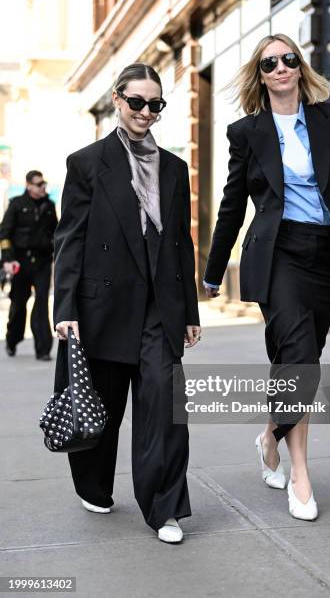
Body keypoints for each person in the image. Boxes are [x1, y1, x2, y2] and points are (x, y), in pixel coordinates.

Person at [203, 34, 330, 521]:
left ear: (299, 67)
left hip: (327, 254)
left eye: (288, 60)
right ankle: (301, 473)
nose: (280, 68)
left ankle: (269, 436)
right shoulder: (247, 132)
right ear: (260, 76)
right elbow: (232, 203)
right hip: (279, 253)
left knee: (298, 361)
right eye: (269, 63)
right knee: (300, 358)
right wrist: (214, 271)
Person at [53, 63, 201, 543]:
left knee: (164, 407)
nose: (145, 112)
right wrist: (65, 309)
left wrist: (191, 312)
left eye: (155, 104)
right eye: (136, 101)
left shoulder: (175, 169)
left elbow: (181, 243)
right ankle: (93, 485)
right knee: (105, 408)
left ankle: (164, 509)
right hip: (103, 307)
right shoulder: (87, 163)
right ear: (117, 99)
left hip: (161, 307)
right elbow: (70, 240)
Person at [0, 171, 57, 360]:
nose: (43, 187)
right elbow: (5, 234)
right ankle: (12, 339)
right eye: (39, 184)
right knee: (18, 304)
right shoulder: (17, 204)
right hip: (20, 262)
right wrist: (8, 259)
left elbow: (56, 233)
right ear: (29, 185)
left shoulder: (49, 206)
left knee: (41, 304)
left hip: (42, 262)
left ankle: (43, 349)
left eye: (44, 184)